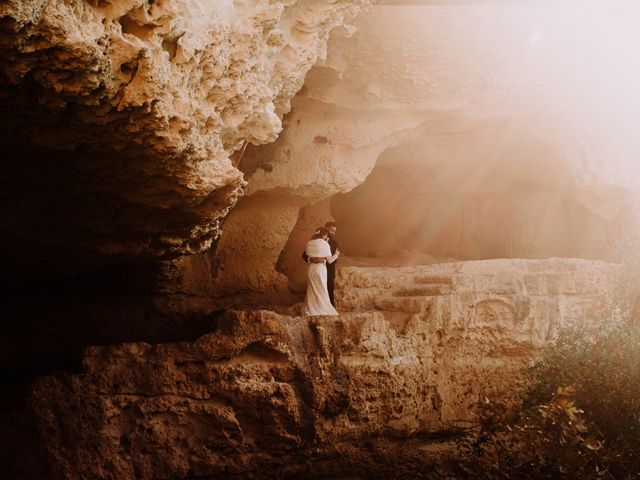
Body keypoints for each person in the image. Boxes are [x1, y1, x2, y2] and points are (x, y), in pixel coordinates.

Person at [304, 227, 340, 316]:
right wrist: (336, 255)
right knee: (322, 289)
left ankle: (311, 309)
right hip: (320, 269)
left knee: (311, 289)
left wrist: (313, 259)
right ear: (324, 235)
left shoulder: (309, 243)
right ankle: (322, 309)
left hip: (311, 268)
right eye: (326, 235)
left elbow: (307, 255)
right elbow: (330, 260)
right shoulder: (324, 244)